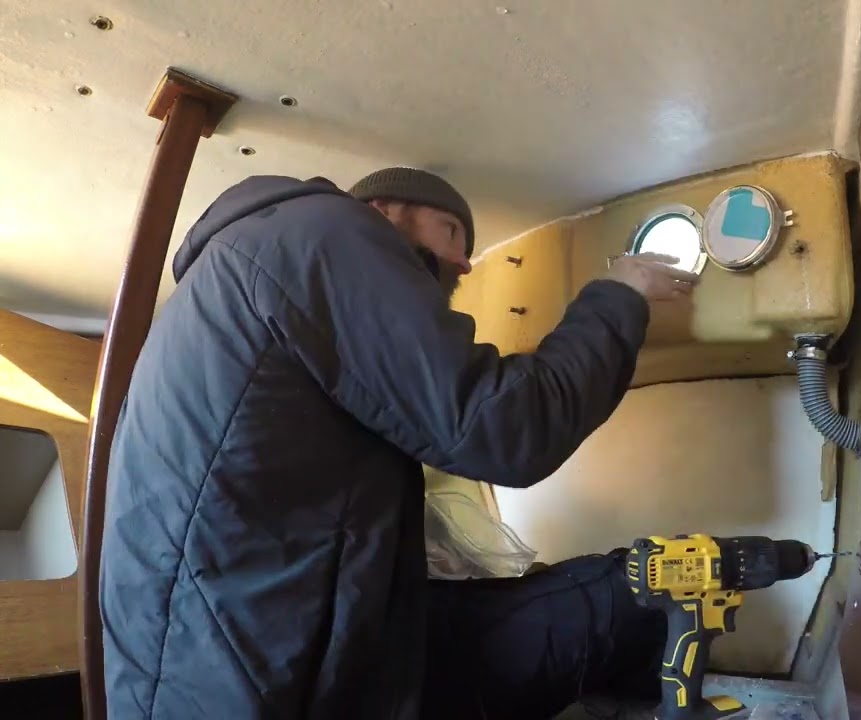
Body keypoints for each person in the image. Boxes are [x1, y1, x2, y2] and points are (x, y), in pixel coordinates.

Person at [99, 167, 698, 719]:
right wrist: (620, 294)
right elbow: (506, 427)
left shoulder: (240, 268)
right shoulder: (329, 234)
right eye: (451, 232)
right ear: (382, 211)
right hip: (255, 676)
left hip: (211, 663)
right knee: (626, 600)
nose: (464, 264)